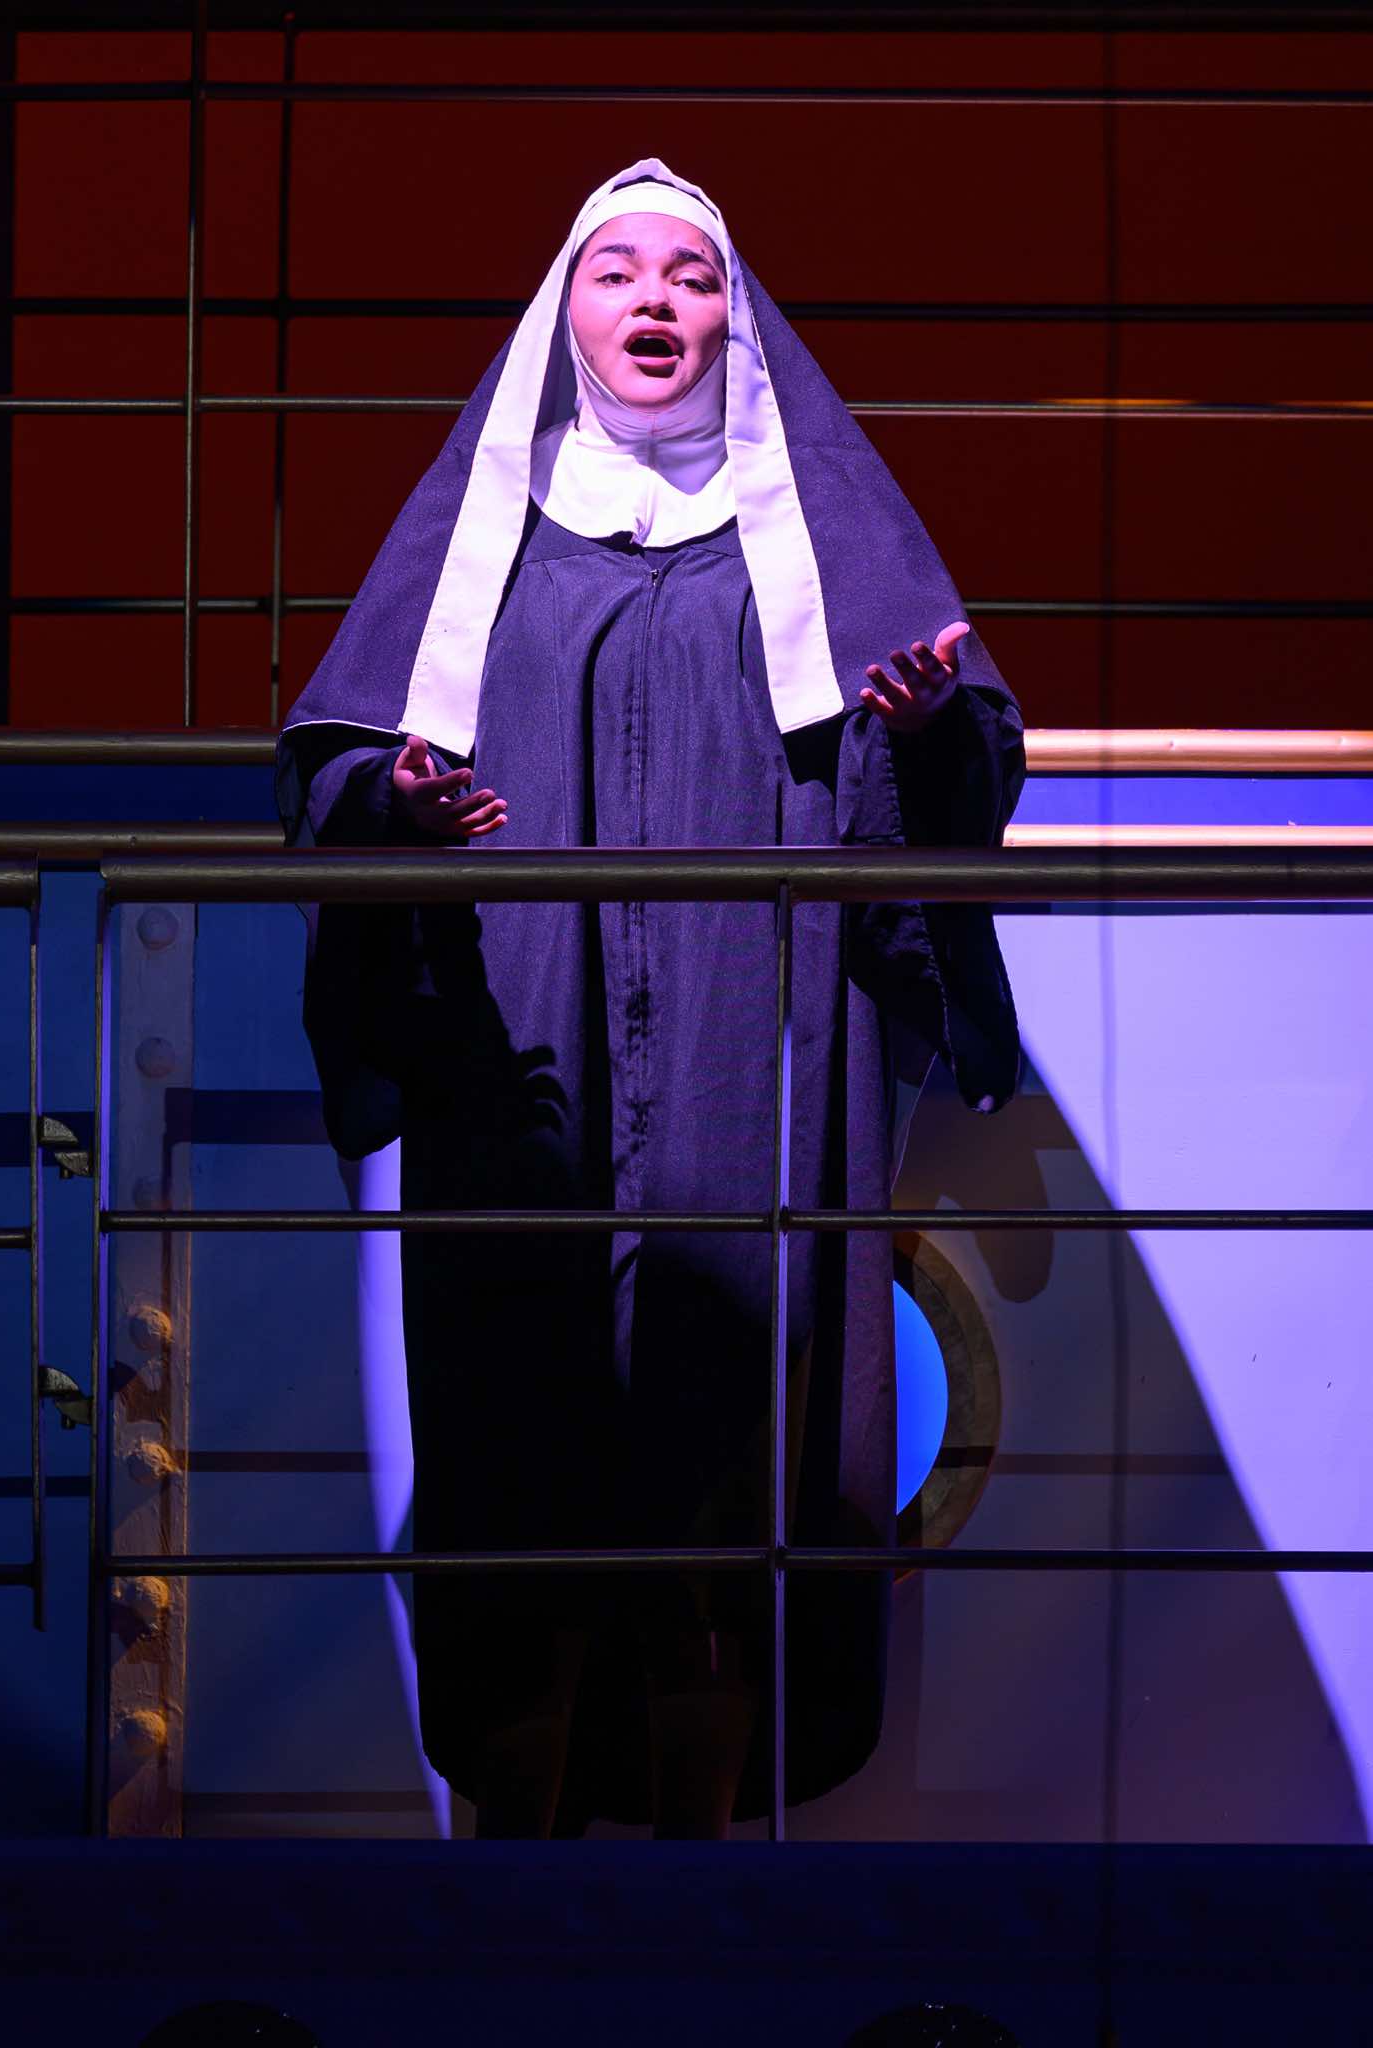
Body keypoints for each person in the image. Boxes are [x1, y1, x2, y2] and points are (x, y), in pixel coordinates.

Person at [276, 159, 1023, 1840]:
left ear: (732, 322)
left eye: (689, 276)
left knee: (730, 1385)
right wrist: (397, 796)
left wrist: (913, 731)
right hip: (520, 1020)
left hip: (746, 1025)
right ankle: (521, 1785)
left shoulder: (802, 538)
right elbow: (332, 760)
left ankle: (706, 1801)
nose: (654, 303)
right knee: (519, 1374)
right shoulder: (487, 537)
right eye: (617, 273)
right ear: (567, 315)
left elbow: (938, 773)